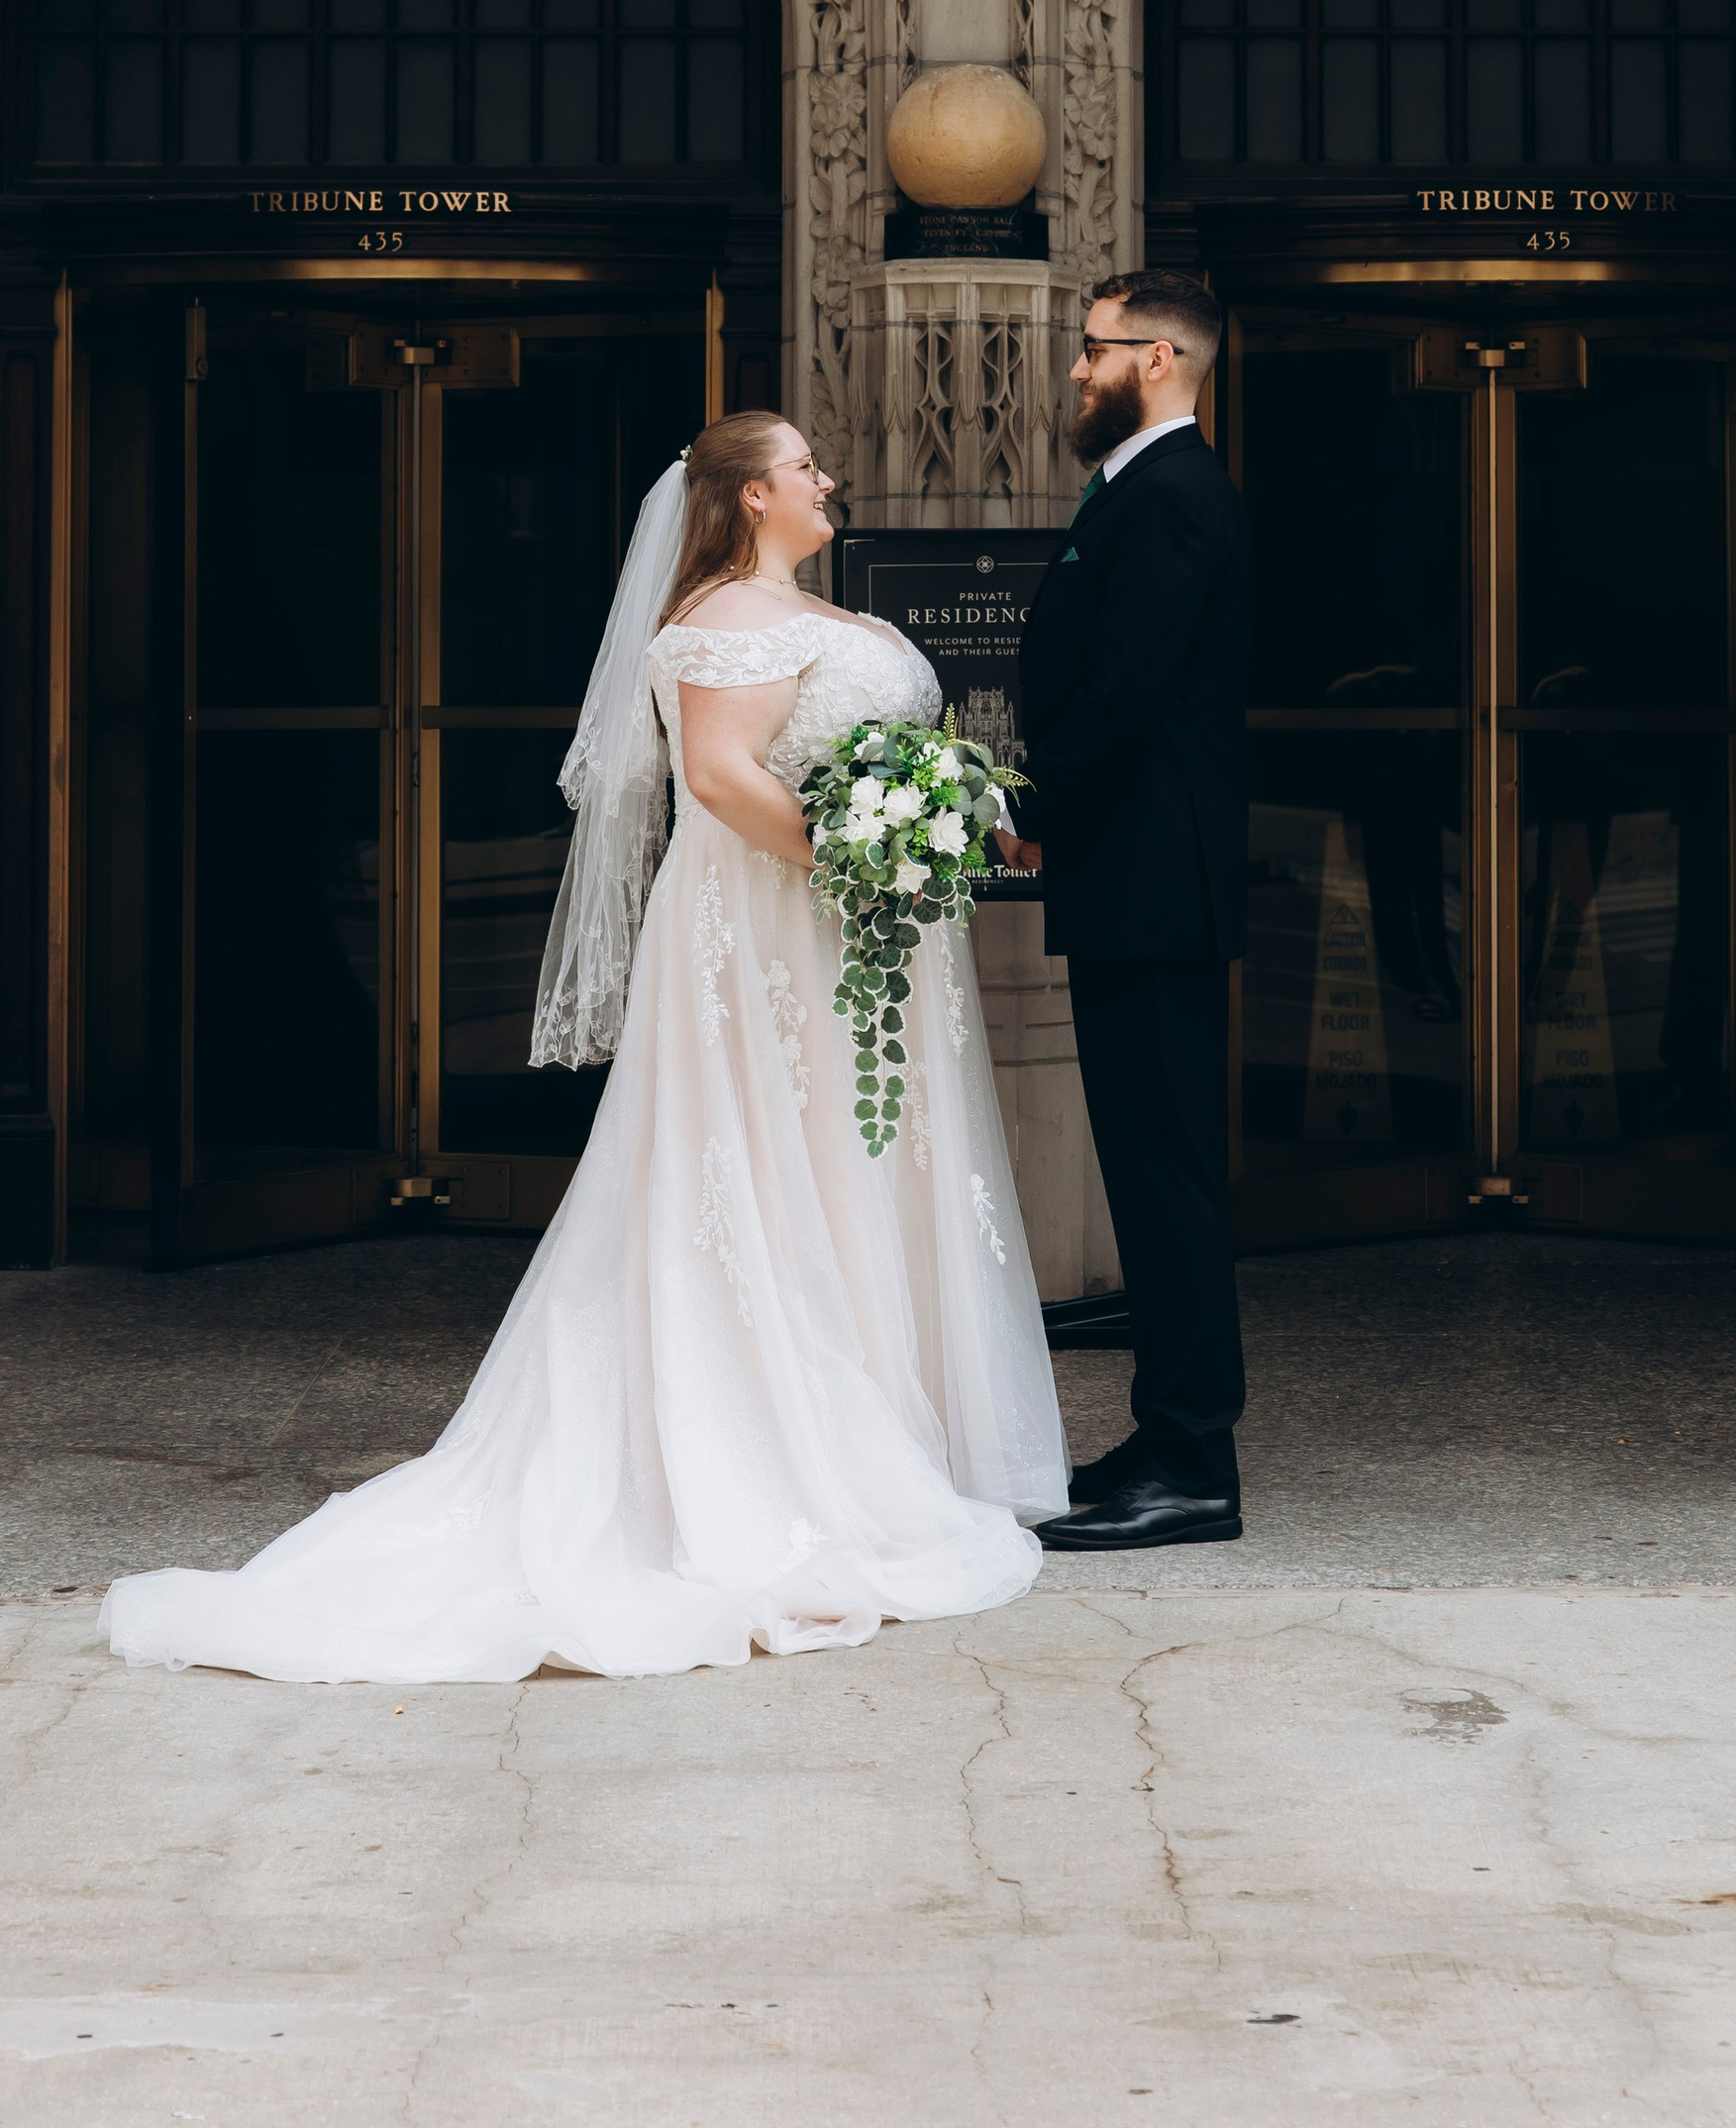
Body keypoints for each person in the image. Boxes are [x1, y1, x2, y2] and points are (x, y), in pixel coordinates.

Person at [102, 415, 1066, 1683]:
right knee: (763, 1174)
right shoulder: (722, 622)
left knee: (848, 1161)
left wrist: (960, 814)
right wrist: (864, 863)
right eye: (802, 468)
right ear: (744, 497)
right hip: (773, 936)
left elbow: (867, 755)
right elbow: (721, 778)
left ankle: (886, 1429)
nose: (826, 479)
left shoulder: (821, 616)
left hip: (847, 942)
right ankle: (771, 1454)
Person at [1010, 271, 1254, 1552]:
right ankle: (1163, 1437)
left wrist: (1022, 802)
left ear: (1156, 358)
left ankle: (1196, 1465)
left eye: (1091, 350)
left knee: (1168, 1180)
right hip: (1133, 885)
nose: (1075, 371)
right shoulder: (1137, 488)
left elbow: (1126, 696)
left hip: (1157, 886)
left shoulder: (1172, 501)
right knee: (1148, 1176)